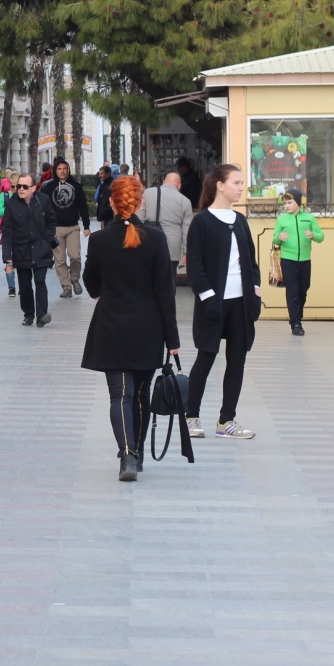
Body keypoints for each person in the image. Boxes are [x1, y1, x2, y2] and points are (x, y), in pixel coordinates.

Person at [80, 175, 180, 481]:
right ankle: (134, 453)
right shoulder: (156, 238)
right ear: (140, 202)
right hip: (147, 327)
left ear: (111, 201)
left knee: (119, 395)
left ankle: (127, 455)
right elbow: (166, 292)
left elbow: (91, 282)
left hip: (111, 325)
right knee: (139, 393)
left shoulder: (99, 240)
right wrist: (172, 339)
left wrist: (105, 291)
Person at [184, 164, 263, 440]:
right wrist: (209, 297)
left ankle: (226, 421)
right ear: (219, 185)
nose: (242, 188)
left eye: (243, 183)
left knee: (237, 361)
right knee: (206, 358)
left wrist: (255, 288)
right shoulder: (202, 222)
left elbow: (251, 261)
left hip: (240, 304)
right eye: (237, 182)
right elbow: (195, 266)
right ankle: (190, 416)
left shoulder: (240, 220)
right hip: (213, 304)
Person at [2, 173, 58, 327]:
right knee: (25, 285)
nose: (20, 189)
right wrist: (7, 255)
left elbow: (52, 221)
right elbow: (7, 232)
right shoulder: (11, 204)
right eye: (18, 186)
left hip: (40, 249)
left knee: (40, 281)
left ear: (33, 188)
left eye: (25, 187)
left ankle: (41, 315)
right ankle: (28, 314)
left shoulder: (43, 200)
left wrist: (47, 240)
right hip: (21, 250)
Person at [273, 187, 323, 336]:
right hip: (288, 260)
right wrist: (279, 238)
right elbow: (275, 238)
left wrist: (313, 235)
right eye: (285, 203)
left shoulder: (309, 218)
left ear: (298, 203)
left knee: (303, 290)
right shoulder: (282, 219)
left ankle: (297, 317)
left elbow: (321, 237)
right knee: (292, 291)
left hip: (305, 260)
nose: (286, 206)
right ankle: (295, 323)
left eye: (289, 202)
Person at [40, 158, 91, 299]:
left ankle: (74, 279)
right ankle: (66, 286)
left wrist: (86, 226)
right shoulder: (47, 187)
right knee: (60, 260)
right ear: (55, 171)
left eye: (65, 169)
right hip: (55, 229)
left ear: (68, 170)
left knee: (75, 256)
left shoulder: (76, 186)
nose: (62, 172)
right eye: (59, 169)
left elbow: (83, 207)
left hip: (73, 227)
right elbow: (42, 207)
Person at [138, 171, 195, 287]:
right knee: (169, 283)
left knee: (148, 280)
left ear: (164, 182)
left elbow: (139, 219)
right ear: (179, 186)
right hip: (171, 248)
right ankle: (168, 304)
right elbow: (186, 231)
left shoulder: (148, 193)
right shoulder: (185, 201)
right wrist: (187, 253)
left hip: (149, 243)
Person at [0, 176, 16, 296]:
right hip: (8, 233)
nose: (16, 189)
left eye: (19, 186)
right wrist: (11, 208)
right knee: (9, 261)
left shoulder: (25, 196)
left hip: (22, 233)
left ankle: (23, 286)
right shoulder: (4, 196)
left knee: (21, 262)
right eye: (13, 186)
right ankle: (11, 287)